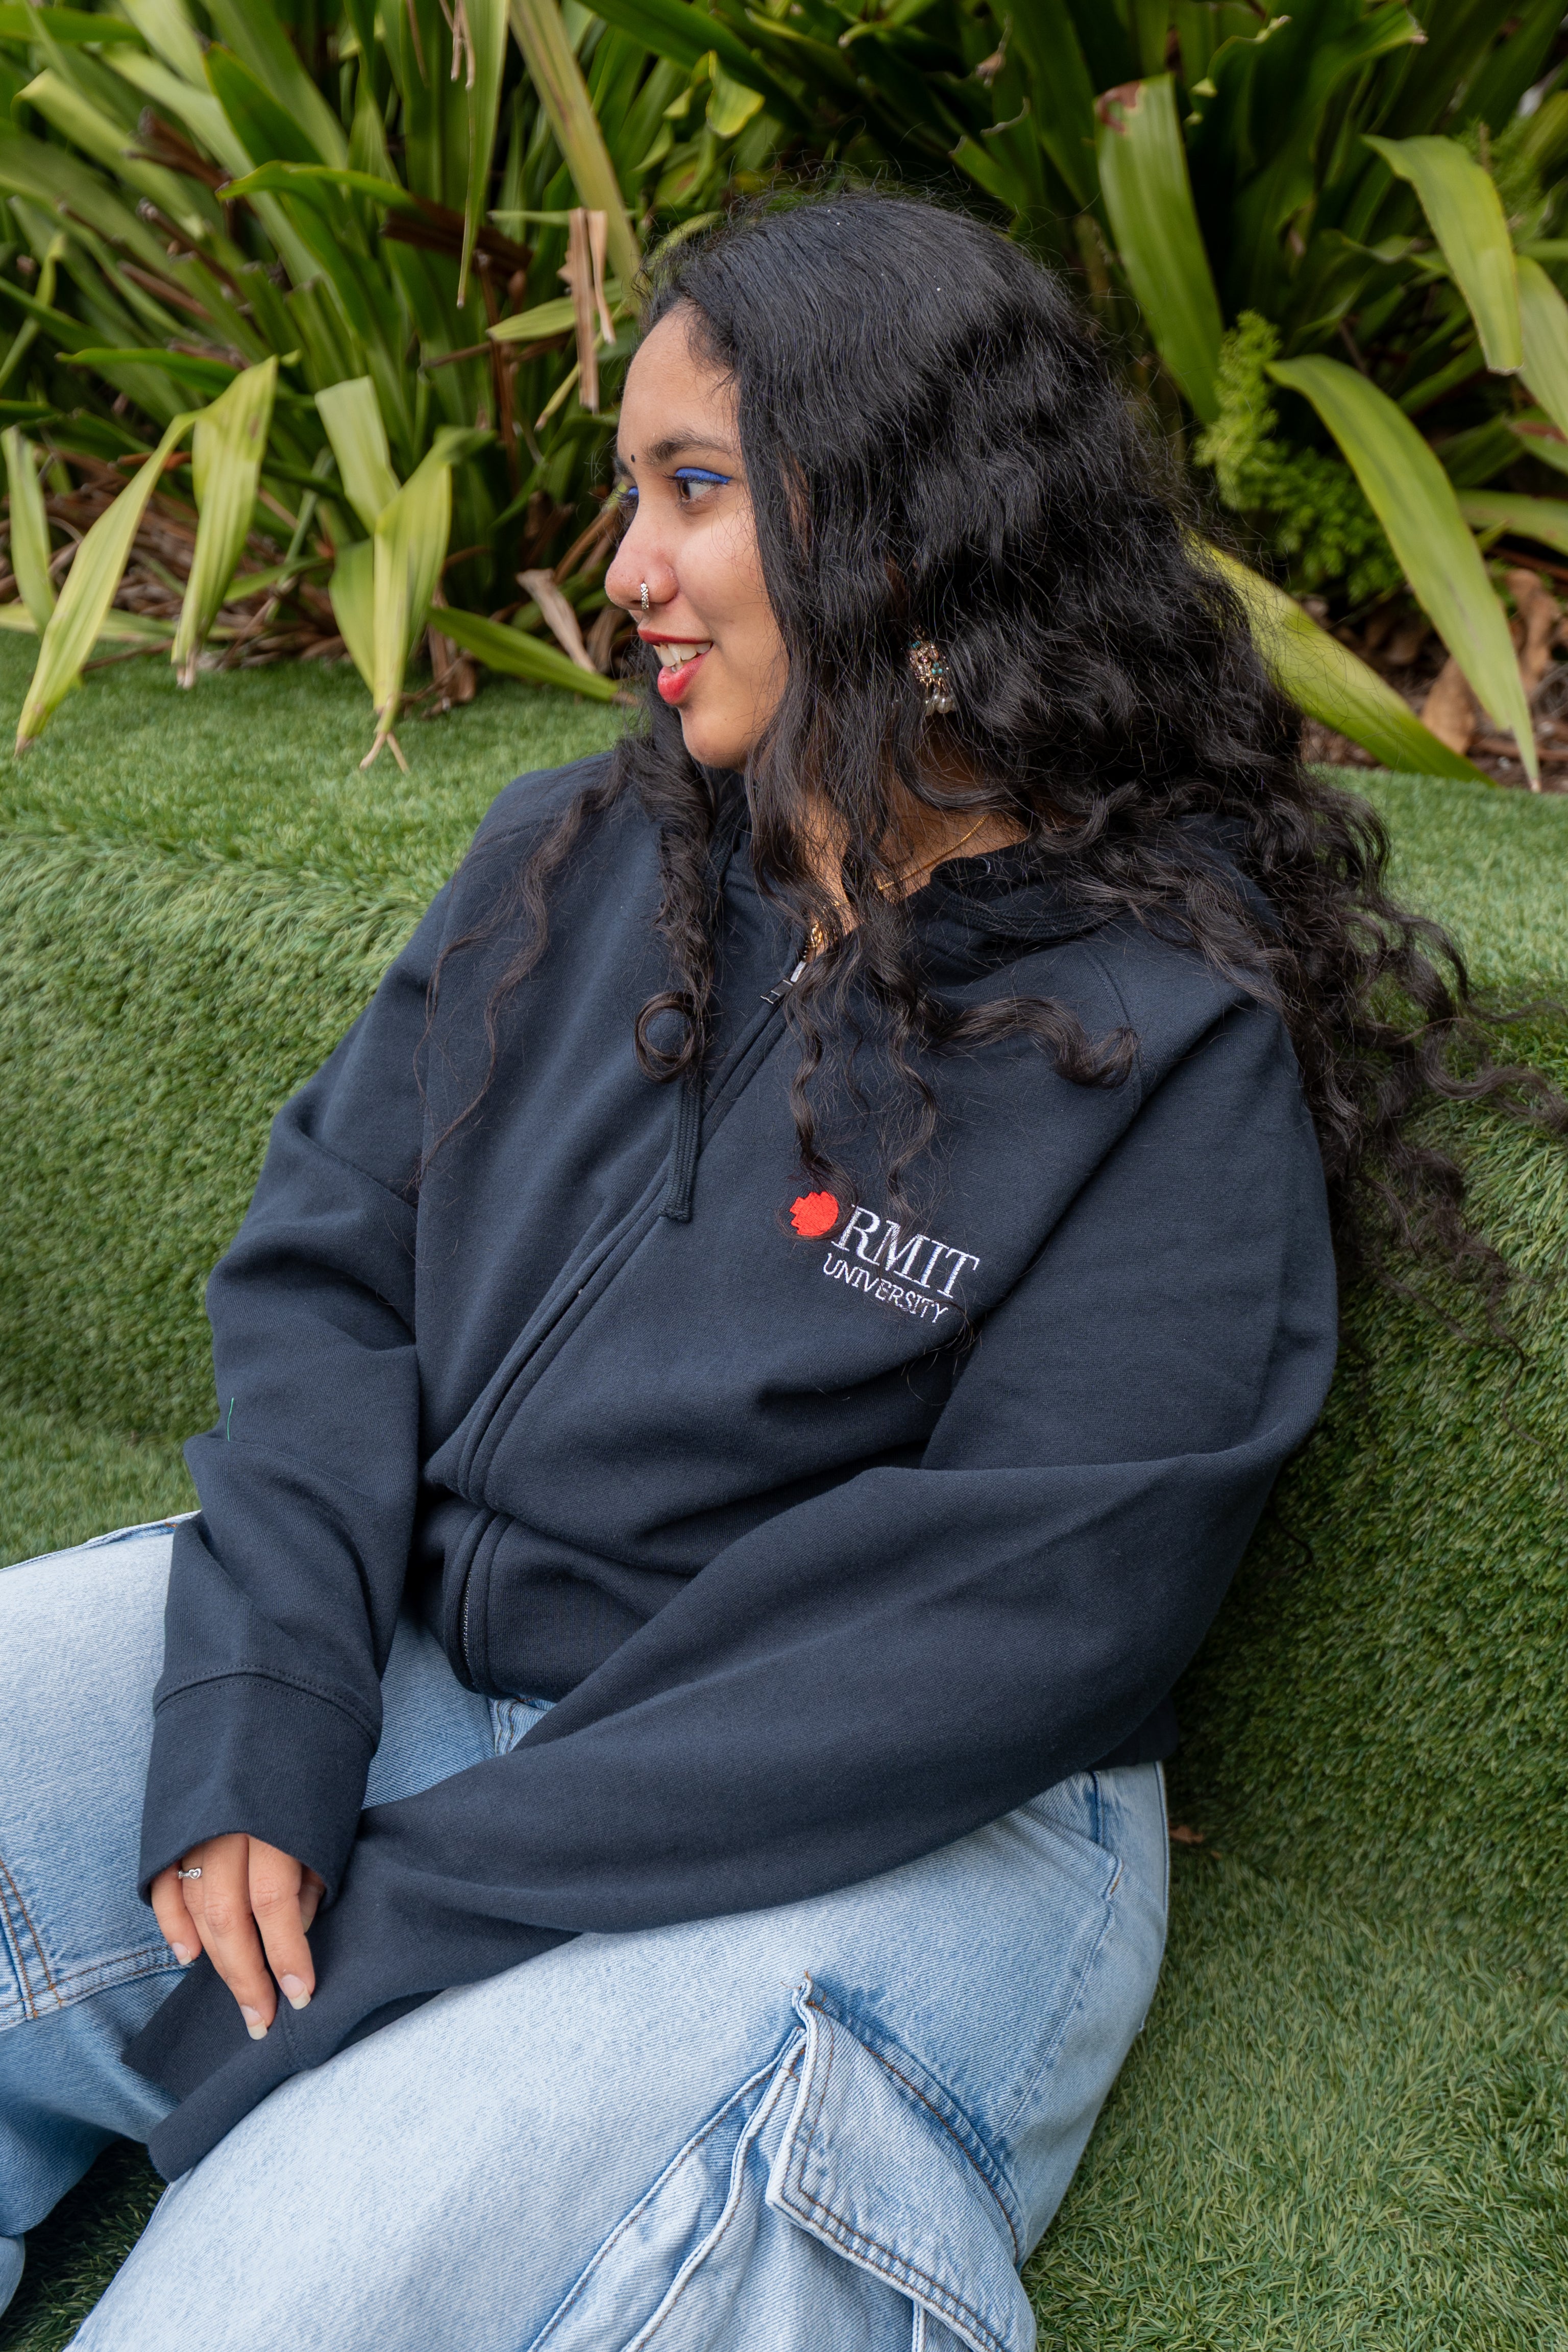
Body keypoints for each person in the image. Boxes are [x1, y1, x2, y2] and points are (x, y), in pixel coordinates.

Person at [0, 192, 1544, 2350]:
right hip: (442, 1650)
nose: (623, 567)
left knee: (266, 2296)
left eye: (691, 492)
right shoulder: (574, 853)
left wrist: (413, 1914)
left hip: (898, 1821)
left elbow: (992, 1633)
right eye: (635, 489)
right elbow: (334, 1265)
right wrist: (272, 1697)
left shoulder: (1161, 1041)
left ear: (902, 532)